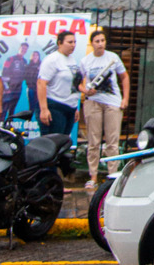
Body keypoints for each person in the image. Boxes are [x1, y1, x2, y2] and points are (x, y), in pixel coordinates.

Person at [78, 30, 130, 190]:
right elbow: (79, 83)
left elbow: (124, 77)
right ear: (92, 43)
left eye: (102, 40)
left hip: (112, 103)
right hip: (93, 102)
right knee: (93, 141)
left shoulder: (113, 58)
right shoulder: (85, 61)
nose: (100, 44)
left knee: (112, 142)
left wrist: (125, 99)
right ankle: (92, 176)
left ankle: (112, 175)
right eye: (97, 41)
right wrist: (86, 91)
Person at [37, 31, 81, 136]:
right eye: (70, 42)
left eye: (74, 42)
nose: (73, 45)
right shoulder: (52, 60)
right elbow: (41, 83)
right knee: (53, 142)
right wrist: (44, 109)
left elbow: (73, 85)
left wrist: (74, 108)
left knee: (63, 143)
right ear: (60, 43)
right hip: (55, 106)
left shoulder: (72, 60)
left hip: (70, 108)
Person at [1, 41, 28, 119]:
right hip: (9, 88)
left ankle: (9, 127)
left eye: (25, 49)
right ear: (19, 48)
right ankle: (0, 127)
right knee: (4, 109)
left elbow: (25, 75)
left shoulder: (25, 61)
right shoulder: (11, 59)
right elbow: (4, 72)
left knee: (12, 109)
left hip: (18, 89)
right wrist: (6, 87)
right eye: (23, 48)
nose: (24, 50)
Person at [25, 50, 42, 121]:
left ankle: (39, 122)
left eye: (36, 55)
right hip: (31, 88)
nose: (35, 57)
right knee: (31, 106)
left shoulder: (42, 66)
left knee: (39, 106)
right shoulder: (28, 66)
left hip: (39, 89)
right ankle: (29, 122)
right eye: (33, 55)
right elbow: (25, 77)